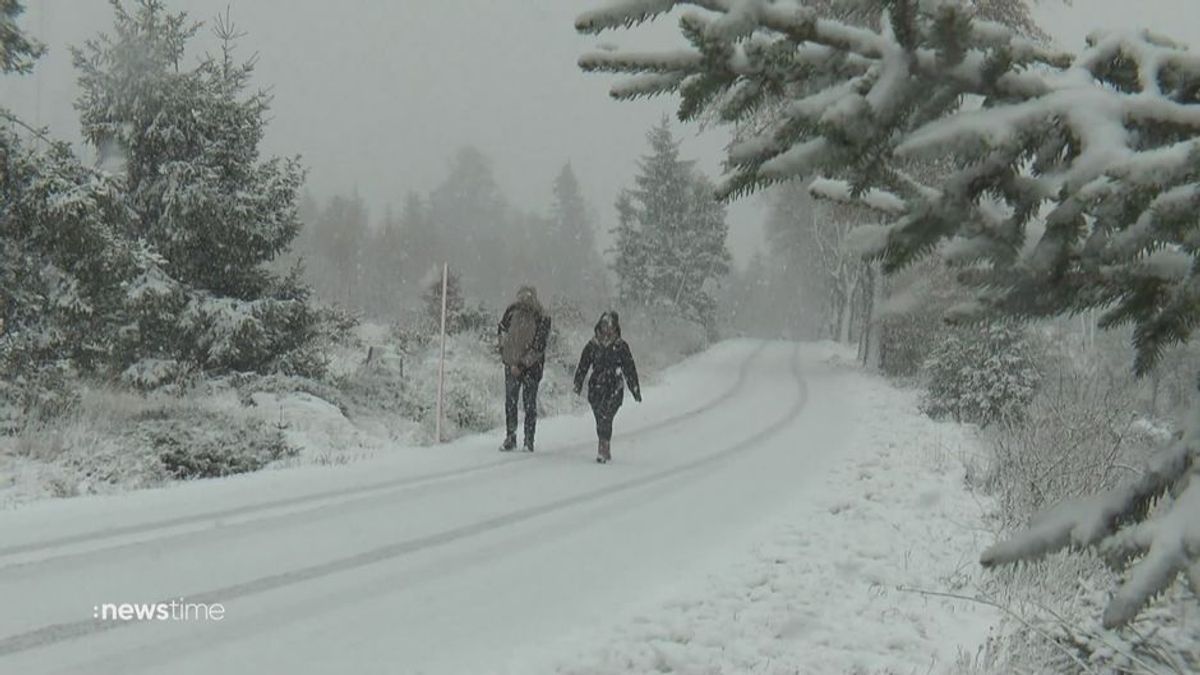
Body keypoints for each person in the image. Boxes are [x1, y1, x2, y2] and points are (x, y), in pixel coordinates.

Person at [573, 311, 641, 464]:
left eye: (610, 326)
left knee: (606, 416)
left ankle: (603, 447)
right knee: (599, 417)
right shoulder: (592, 345)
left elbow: (629, 369)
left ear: (616, 328)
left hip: (614, 387)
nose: (607, 329)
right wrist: (577, 384)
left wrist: (635, 388)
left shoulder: (621, 346)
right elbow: (583, 366)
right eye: (604, 325)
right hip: (596, 386)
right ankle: (604, 442)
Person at [497, 285, 551, 452]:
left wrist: (518, 364)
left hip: (530, 368)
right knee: (513, 403)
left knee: (527, 404)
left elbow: (538, 346)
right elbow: (502, 333)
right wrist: (506, 357)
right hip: (514, 365)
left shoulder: (541, 316)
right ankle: (512, 437)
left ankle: (527, 440)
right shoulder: (512, 311)